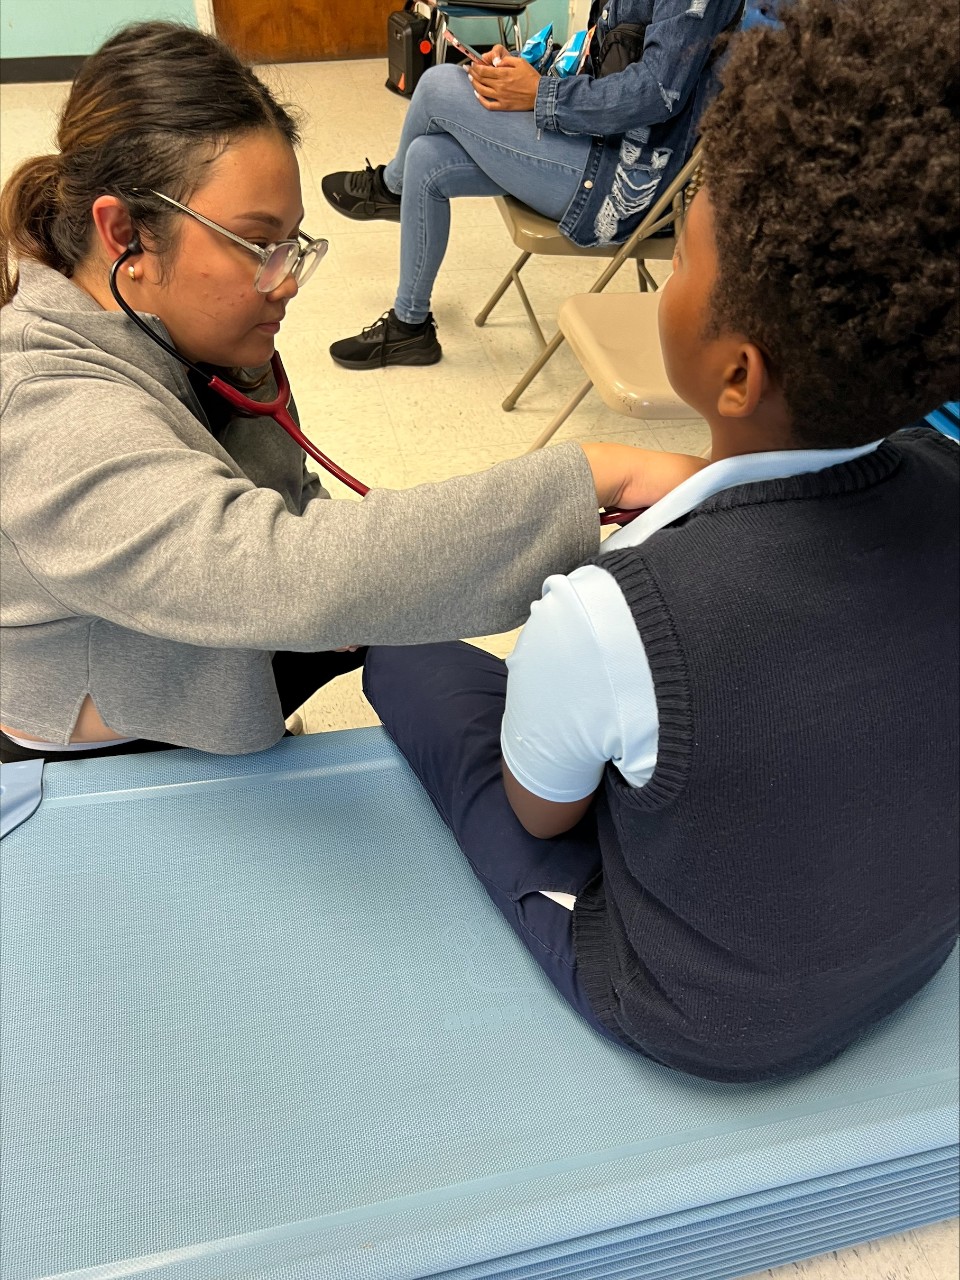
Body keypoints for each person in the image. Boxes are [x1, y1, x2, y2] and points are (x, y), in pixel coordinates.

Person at [363, 0, 960, 1082]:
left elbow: (545, 811)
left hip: (703, 1016)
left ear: (734, 372)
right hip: (914, 951)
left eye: (680, 248)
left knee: (410, 664)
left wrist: (605, 629)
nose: (669, 271)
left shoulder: (613, 610)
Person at [0, 21, 705, 765]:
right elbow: (269, 569)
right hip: (114, 763)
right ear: (125, 237)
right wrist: (593, 476)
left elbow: (288, 510)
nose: (288, 279)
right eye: (256, 245)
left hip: (221, 666)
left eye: (292, 244)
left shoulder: (190, 332)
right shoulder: (42, 412)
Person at [321, 0, 744, 369]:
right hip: (595, 144)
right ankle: (409, 327)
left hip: (624, 184)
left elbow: (654, 93)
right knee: (426, 158)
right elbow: (601, 57)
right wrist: (525, 69)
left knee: (435, 86)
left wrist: (540, 93)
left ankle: (389, 191)